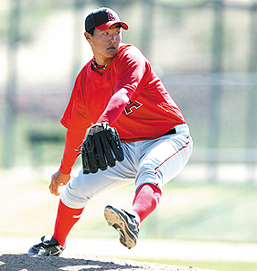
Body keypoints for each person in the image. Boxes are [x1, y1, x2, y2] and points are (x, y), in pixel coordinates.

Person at [28, 7, 193, 256]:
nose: (113, 38)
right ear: (88, 38)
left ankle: (132, 220)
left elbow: (123, 94)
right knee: (77, 187)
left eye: (117, 31)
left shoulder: (130, 57)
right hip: (125, 148)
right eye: (105, 33)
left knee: (150, 169)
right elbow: (75, 129)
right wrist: (64, 171)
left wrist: (103, 122)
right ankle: (56, 242)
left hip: (168, 138)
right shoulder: (84, 80)